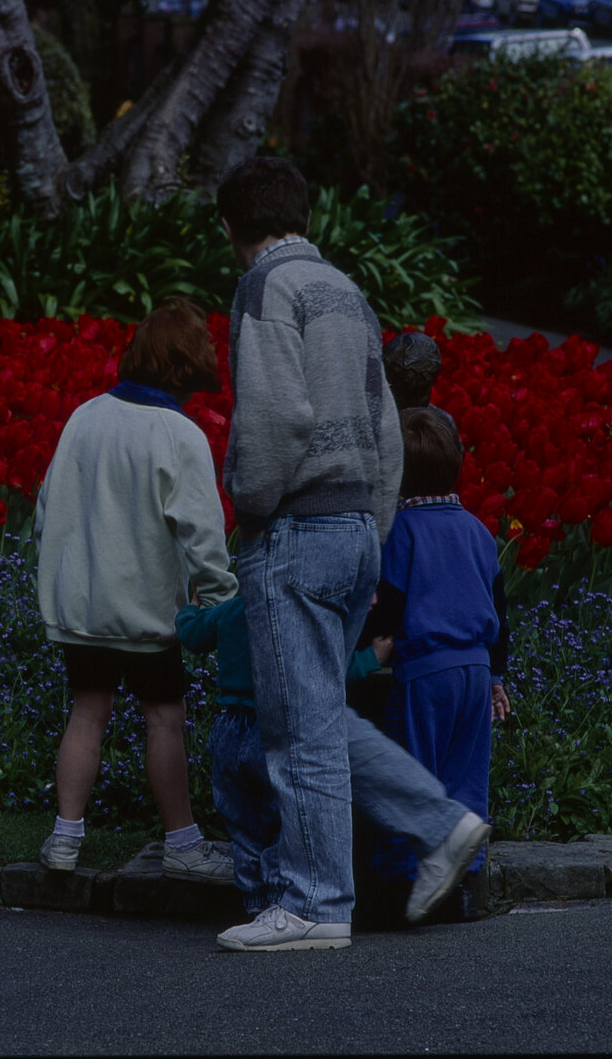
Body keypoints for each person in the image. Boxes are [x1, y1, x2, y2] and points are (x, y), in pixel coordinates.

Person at [213, 156, 489, 951]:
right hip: (354, 531)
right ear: (306, 214)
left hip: (295, 527)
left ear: (231, 226)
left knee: (296, 731)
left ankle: (312, 902)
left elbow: (270, 417)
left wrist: (252, 512)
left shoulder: (266, 287)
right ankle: (439, 824)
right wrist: (371, 528)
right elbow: (382, 423)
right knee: (319, 717)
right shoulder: (345, 290)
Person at [33, 297, 236, 886]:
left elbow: (46, 510)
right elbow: (202, 534)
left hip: (82, 607)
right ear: (189, 364)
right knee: (163, 719)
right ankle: (182, 843)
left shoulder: (84, 416)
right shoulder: (180, 433)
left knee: (88, 711)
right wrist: (220, 604)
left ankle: (65, 838)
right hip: (148, 614)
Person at [360, 405, 512, 918]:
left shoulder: (401, 531)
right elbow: (499, 609)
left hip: (425, 671)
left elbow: (393, 605)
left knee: (412, 774)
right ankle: (464, 884)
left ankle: (400, 883)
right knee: (466, 773)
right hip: (474, 668)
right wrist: (494, 677)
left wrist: (369, 641)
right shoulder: (478, 530)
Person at [176, 592, 393, 919]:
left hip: (228, 729)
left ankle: (253, 900)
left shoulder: (230, 610)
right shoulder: (290, 617)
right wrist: (372, 657)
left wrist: (190, 607)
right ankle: (278, 901)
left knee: (242, 823)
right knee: (281, 820)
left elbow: (191, 634)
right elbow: (329, 670)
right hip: (271, 729)